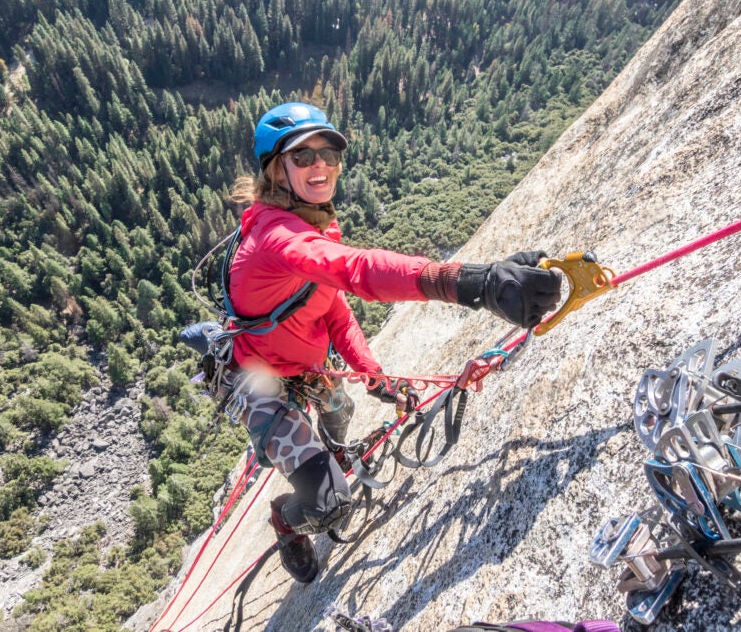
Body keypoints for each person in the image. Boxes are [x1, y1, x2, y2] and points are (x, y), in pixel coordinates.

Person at [219, 101, 561, 583]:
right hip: (260, 384)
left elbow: (333, 308)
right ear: (276, 169)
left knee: (340, 412)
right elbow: (355, 271)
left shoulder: (313, 226)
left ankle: (330, 454)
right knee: (330, 502)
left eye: (329, 154)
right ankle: (285, 520)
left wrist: (373, 376)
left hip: (306, 367)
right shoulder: (276, 240)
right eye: (302, 156)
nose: (320, 165)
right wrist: (468, 282)